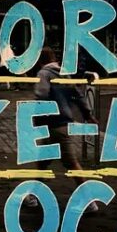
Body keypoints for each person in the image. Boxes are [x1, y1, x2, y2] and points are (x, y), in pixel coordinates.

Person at [32, 46, 98, 212]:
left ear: (40, 60)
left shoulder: (43, 74)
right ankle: (33, 196)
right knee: (43, 163)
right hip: (63, 121)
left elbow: (42, 94)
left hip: (54, 123)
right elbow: (77, 94)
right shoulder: (63, 73)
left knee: (72, 164)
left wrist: (36, 114)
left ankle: (89, 201)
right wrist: (87, 114)